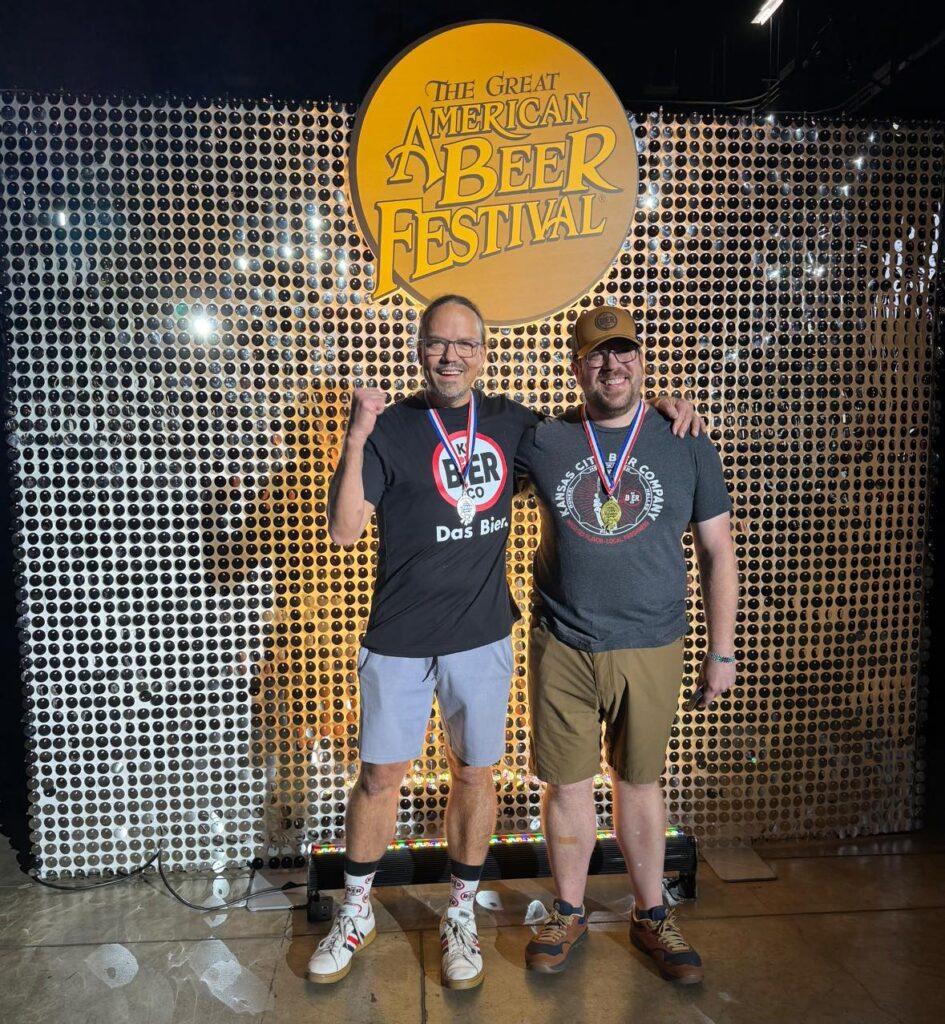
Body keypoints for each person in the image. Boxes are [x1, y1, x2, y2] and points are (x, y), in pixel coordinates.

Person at [309, 295, 702, 990]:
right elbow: (342, 533)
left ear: (483, 354)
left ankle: (460, 912)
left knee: (474, 775)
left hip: (482, 634)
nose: (450, 355)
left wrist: (663, 407)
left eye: (464, 344)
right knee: (378, 778)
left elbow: (596, 430)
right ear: (418, 348)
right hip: (398, 637)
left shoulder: (516, 425)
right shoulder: (390, 426)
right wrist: (355, 431)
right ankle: (356, 909)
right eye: (437, 343)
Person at [516, 305, 738, 985]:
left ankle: (650, 912)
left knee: (640, 782)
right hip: (563, 639)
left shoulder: (685, 441)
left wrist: (721, 651)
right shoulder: (546, 438)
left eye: (622, 353)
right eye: (595, 355)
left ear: (640, 359)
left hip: (652, 640)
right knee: (568, 784)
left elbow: (717, 549)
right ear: (575, 365)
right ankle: (567, 909)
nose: (610, 366)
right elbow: (475, 438)